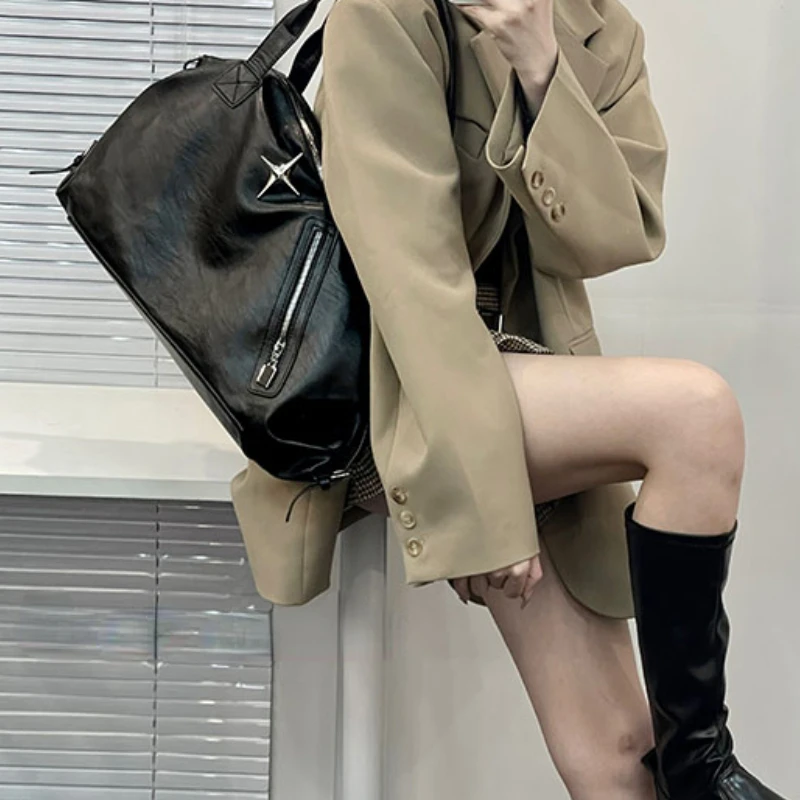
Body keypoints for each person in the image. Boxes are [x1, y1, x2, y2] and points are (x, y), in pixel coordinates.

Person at [229, 0, 790, 796]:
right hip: (391, 391)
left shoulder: (601, 28)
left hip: (509, 379)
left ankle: (690, 771)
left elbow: (619, 231)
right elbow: (410, 277)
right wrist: (483, 496)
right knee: (696, 415)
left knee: (621, 755)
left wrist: (541, 68)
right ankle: (703, 769)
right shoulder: (384, 10)